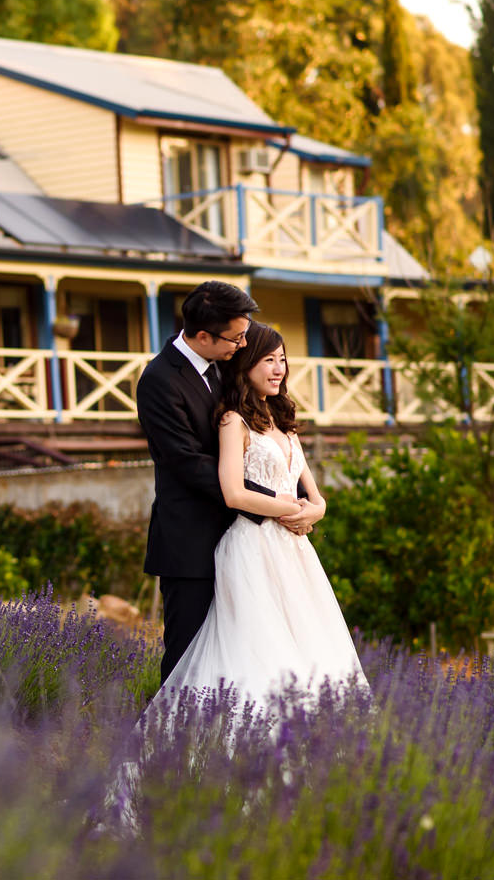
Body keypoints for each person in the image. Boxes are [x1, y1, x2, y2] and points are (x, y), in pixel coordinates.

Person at [158, 321, 366, 705]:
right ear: (246, 365)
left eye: (282, 360)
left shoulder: (285, 422)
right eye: (268, 360)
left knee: (309, 643)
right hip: (252, 546)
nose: (278, 369)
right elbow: (233, 493)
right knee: (259, 647)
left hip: (295, 551)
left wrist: (316, 511)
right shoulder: (232, 421)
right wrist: (287, 510)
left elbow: (312, 493)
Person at [136, 281, 315, 685]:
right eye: (236, 337)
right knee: (189, 658)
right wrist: (273, 502)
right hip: (193, 541)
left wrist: (302, 500)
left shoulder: (227, 367)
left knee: (251, 655)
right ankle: (176, 744)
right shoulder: (159, 381)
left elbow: (263, 441)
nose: (242, 344)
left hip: (252, 543)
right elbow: (186, 463)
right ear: (204, 336)